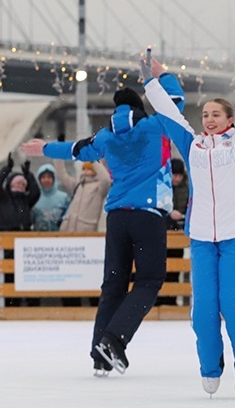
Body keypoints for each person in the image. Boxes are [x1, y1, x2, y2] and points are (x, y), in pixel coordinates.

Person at [21, 63, 185, 377]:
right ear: (140, 107)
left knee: (113, 284)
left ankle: (100, 357)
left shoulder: (106, 137)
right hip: (148, 215)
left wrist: (44, 147)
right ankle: (113, 339)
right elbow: (175, 103)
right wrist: (163, 76)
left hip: (117, 218)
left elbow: (76, 150)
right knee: (149, 280)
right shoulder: (155, 126)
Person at [142, 44, 235, 399]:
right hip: (200, 236)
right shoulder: (193, 145)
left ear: (230, 120)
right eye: (206, 115)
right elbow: (169, 114)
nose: (210, 119)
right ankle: (210, 367)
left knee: (233, 304)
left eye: (217, 114)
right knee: (202, 312)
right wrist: (150, 83)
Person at [55, 160, 111, 233]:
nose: (85, 170)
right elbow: (62, 175)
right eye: (84, 168)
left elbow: (106, 180)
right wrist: (58, 155)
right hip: (68, 229)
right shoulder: (77, 185)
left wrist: (93, 159)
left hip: (86, 232)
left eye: (89, 168)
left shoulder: (100, 188)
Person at [0, 156, 41, 231]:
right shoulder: (3, 198)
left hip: (23, 233)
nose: (20, 186)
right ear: (11, 184)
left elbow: (36, 192)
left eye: (23, 184)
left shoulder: (26, 200)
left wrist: (28, 174)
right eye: (18, 183)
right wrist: (7, 168)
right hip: (4, 233)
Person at [32, 164, 69, 232]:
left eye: (49, 177)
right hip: (38, 238)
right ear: (39, 180)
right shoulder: (34, 198)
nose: (46, 180)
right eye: (43, 177)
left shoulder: (64, 198)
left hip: (59, 237)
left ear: (54, 179)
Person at [167, 158, 188, 231]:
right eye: (175, 175)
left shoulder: (187, 188)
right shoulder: (163, 188)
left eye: (180, 176)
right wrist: (169, 213)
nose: (177, 179)